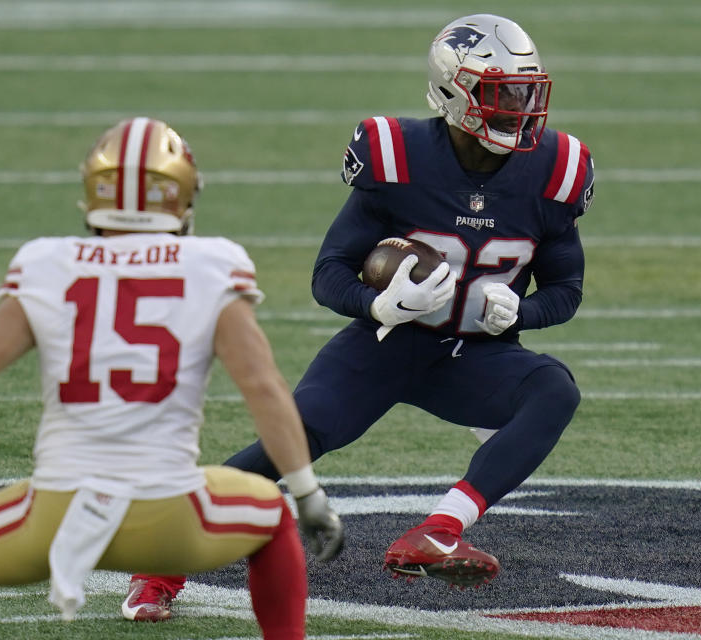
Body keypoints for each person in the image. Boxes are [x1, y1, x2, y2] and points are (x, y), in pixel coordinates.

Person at [124, 12, 594, 619]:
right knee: (292, 439)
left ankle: (441, 529)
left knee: (554, 390)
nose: (520, 108)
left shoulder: (554, 169)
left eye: (527, 92)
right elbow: (330, 272)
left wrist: (521, 314)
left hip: (473, 353)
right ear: (455, 92)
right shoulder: (396, 155)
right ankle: (160, 561)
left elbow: (567, 289)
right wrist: (375, 303)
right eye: (502, 93)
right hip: (386, 342)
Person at [0, 116, 344, 640]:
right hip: (169, 514)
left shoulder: (47, 262)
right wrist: (306, 492)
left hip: (55, 514)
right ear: (181, 196)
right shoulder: (212, 264)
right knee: (274, 521)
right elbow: (262, 388)